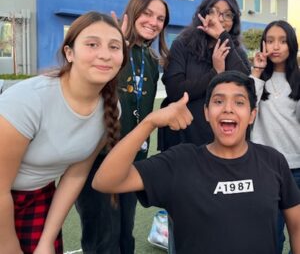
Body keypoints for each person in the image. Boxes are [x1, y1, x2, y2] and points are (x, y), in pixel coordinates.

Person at [92, 71, 300, 254]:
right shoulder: (181, 162)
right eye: (218, 101)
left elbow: (296, 227)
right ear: (206, 113)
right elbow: (105, 181)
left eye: (239, 102)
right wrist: (150, 122)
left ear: (252, 115)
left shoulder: (273, 161)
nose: (228, 108)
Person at [0, 11, 127, 254]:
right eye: (92, 44)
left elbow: (76, 175)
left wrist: (47, 241)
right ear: (70, 53)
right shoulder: (29, 100)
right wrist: (8, 247)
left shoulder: (111, 108)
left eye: (114, 47)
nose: (104, 54)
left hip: (39, 197)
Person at [75, 0, 169, 254]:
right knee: (103, 239)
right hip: (98, 157)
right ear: (133, 11)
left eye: (160, 18)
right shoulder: (111, 53)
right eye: (147, 13)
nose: (153, 22)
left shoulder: (150, 59)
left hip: (132, 159)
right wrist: (114, 45)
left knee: (125, 235)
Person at [158, 0, 250, 152]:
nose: (220, 19)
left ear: (234, 21)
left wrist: (222, 36)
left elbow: (245, 85)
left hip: (220, 139)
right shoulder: (183, 44)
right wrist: (215, 73)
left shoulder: (236, 51)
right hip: (183, 137)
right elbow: (175, 91)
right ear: (203, 14)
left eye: (228, 15)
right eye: (213, 12)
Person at [250, 20, 300, 254]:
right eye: (270, 41)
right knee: (271, 235)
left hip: (297, 169)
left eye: (282, 41)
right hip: (265, 168)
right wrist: (257, 72)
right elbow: (248, 109)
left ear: (292, 45)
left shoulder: (298, 79)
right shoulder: (256, 79)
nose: (276, 46)